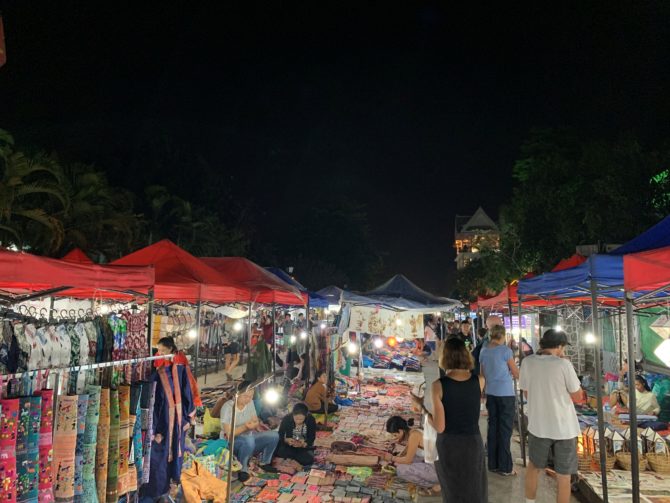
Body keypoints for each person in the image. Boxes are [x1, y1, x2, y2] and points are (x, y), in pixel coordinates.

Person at [519, 329, 583, 503]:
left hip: (538, 425)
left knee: (534, 466)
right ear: (560, 346)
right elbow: (578, 397)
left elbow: (526, 392)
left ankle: (529, 501)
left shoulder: (527, 362)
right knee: (564, 475)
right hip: (564, 428)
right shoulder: (563, 365)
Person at [421, 337, 487, 503]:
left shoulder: (439, 385)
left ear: (445, 357)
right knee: (474, 489)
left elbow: (440, 426)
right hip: (473, 442)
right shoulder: (479, 380)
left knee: (453, 490)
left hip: (450, 444)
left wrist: (425, 413)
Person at [479, 324, 519, 475]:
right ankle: (505, 467)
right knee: (505, 429)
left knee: (493, 427)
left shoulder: (484, 351)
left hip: (491, 392)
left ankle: (493, 464)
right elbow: (516, 373)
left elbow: (482, 373)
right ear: (502, 336)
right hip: (505, 394)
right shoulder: (505, 351)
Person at [219, 382, 279, 482]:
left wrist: (251, 426)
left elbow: (255, 421)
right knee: (248, 440)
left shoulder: (250, 403)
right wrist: (246, 427)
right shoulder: (228, 407)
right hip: (230, 443)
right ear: (237, 394)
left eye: (251, 396)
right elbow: (229, 433)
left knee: (274, 436)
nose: (248, 399)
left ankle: (265, 463)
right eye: (245, 396)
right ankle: (243, 469)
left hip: (249, 439)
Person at [382, 416, 440, 497]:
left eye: (395, 435)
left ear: (400, 431)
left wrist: (392, 458)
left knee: (401, 470)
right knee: (402, 461)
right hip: (437, 464)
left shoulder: (414, 436)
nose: (395, 437)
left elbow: (408, 460)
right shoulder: (414, 431)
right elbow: (406, 450)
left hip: (439, 470)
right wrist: (398, 457)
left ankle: (434, 486)